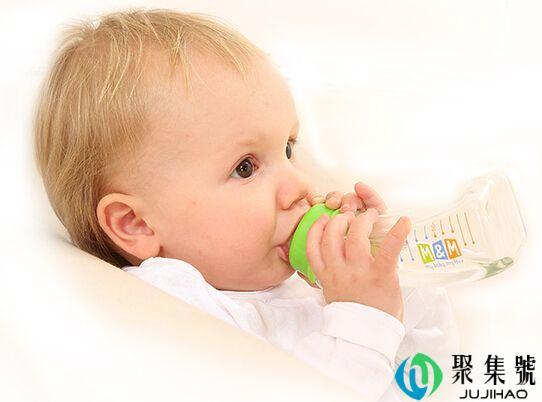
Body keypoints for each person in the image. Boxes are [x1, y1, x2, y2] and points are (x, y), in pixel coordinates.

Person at [33, 9, 459, 401]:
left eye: (288, 148)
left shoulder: (294, 285)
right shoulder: (167, 311)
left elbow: (426, 380)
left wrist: (391, 280)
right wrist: (360, 319)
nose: (300, 185)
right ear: (136, 224)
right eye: (245, 167)